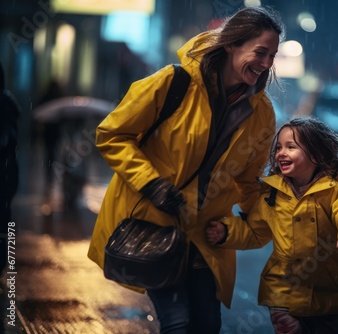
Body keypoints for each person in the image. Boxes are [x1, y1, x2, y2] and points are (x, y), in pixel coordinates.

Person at [87, 6, 285, 334]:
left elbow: (249, 183)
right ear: (232, 44)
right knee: (178, 323)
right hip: (156, 227)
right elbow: (112, 134)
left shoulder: (261, 113)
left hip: (207, 239)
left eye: (272, 56)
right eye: (260, 52)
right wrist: (150, 183)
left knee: (207, 325)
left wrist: (277, 218)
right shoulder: (173, 83)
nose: (266, 64)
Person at [206, 117, 338, 334]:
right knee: (287, 323)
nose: (281, 153)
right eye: (278, 148)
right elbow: (255, 232)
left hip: (325, 288)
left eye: (291, 147)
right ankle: (287, 324)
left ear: (316, 155)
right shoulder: (271, 195)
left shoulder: (332, 192)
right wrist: (227, 231)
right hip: (283, 283)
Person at [0, 62, 20, 274]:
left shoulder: (5, 106)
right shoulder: (9, 104)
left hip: (4, 174)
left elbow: (6, 140)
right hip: (8, 173)